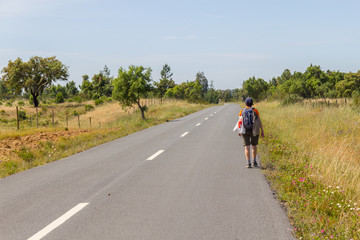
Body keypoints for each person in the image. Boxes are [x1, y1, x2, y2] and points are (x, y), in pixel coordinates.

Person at [239, 97, 265, 168]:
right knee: (254, 146)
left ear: (245, 103)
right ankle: (254, 161)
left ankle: (248, 163)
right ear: (252, 103)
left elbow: (240, 122)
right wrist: (262, 131)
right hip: (254, 130)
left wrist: (239, 131)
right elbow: (259, 121)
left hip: (245, 130)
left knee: (247, 147)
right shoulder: (255, 111)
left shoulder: (242, 111)